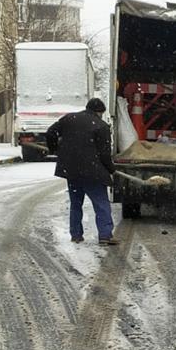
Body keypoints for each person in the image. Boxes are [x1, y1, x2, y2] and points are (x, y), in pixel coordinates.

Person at [46, 97, 119, 245]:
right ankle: (105, 236)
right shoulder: (101, 126)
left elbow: (50, 132)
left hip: (72, 171)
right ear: (99, 112)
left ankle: (76, 235)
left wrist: (54, 148)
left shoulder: (69, 118)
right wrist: (111, 170)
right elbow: (104, 154)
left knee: (76, 203)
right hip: (93, 172)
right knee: (101, 204)